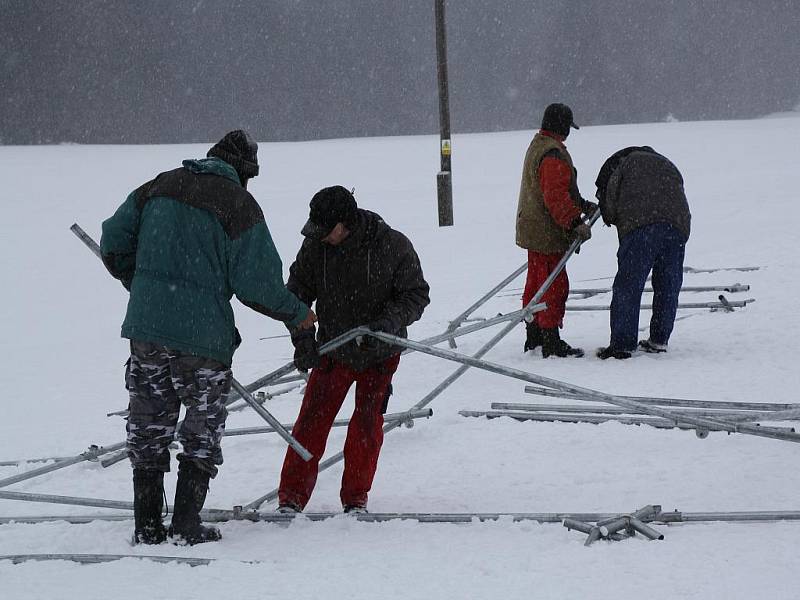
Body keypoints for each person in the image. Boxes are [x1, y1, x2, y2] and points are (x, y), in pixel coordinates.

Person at [100, 130, 316, 544]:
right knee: (200, 430)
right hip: (202, 339)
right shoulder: (238, 204)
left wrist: (142, 284)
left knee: (148, 425)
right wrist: (300, 317)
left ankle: (146, 527)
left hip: (146, 330)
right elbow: (257, 283)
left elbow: (113, 240)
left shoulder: (159, 184)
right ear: (243, 171)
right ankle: (184, 524)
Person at [277, 186, 430, 514]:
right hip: (333, 349)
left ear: (346, 224)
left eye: (326, 230)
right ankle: (291, 499)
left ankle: (355, 501)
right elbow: (296, 294)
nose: (320, 237)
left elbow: (416, 295)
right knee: (311, 422)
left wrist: (386, 325)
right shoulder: (316, 247)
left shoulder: (392, 245)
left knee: (366, 425)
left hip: (380, 353)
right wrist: (303, 339)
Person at [515, 103, 597, 358]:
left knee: (536, 284)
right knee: (553, 287)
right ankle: (550, 341)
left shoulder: (538, 144)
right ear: (562, 127)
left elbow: (556, 190)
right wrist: (576, 223)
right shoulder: (553, 154)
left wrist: (582, 205)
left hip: (533, 229)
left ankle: (534, 336)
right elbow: (555, 197)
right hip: (547, 234)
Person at [594, 146, 691, 359]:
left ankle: (622, 345)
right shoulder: (666, 163)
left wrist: (608, 215)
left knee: (628, 285)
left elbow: (609, 201)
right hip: (677, 226)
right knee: (668, 285)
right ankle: (659, 339)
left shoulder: (624, 164)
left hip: (642, 226)